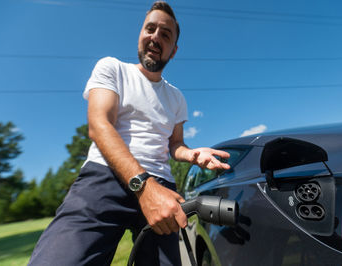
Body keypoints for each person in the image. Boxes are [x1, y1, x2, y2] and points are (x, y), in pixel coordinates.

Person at [28, 1, 230, 265]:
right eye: (150, 28)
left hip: (163, 186)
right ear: (140, 34)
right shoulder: (111, 68)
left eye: (165, 34)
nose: (156, 36)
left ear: (174, 50)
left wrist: (191, 153)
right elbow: (100, 125)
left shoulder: (177, 98)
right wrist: (143, 186)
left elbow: (175, 145)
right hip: (104, 177)